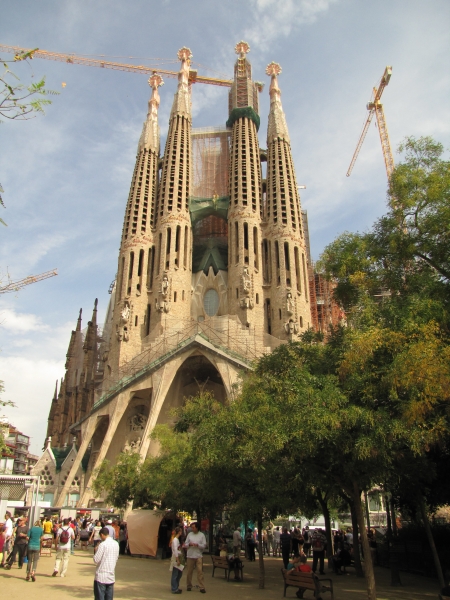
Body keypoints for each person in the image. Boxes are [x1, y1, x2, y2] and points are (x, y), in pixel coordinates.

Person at [94, 526, 119, 600]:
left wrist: (96, 549)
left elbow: (96, 559)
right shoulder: (116, 544)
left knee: (100, 597)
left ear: (102, 535)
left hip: (101, 575)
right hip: (111, 575)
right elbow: (116, 558)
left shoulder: (103, 545)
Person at [183, 521, 206, 593]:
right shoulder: (189, 534)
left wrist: (198, 545)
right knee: (189, 571)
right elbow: (185, 544)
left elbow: (204, 545)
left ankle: (201, 587)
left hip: (198, 555)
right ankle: (189, 585)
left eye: (193, 527)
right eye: (191, 527)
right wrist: (189, 544)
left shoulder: (202, 535)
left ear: (197, 528)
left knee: (200, 571)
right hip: (190, 555)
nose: (192, 529)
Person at [170, 526, 184, 594]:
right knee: (175, 573)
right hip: (176, 557)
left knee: (179, 573)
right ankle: (174, 588)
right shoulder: (175, 540)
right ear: (179, 532)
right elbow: (175, 550)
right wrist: (177, 559)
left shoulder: (177, 539)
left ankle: (176, 586)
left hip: (178, 556)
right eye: (181, 531)